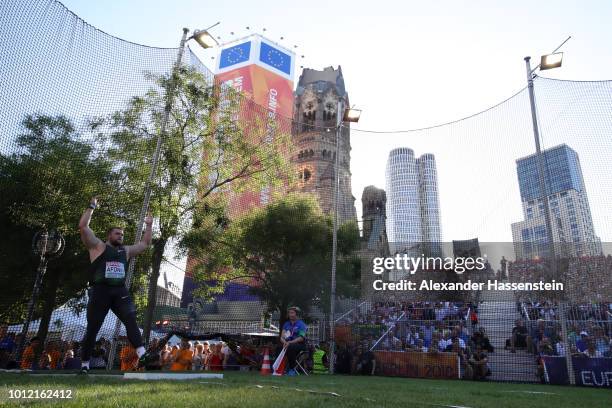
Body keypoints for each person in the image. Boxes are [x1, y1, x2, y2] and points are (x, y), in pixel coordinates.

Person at [78, 196, 153, 374]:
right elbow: (83, 227)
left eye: (122, 234)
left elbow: (144, 244)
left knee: (131, 318)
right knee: (93, 328)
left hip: (119, 291)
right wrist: (91, 207)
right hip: (100, 291)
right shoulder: (98, 247)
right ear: (109, 235)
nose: (121, 236)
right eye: (117, 234)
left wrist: (149, 226)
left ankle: (142, 353)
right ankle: (85, 365)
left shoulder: (125, 251)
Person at [280, 306, 308, 376]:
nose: (290, 315)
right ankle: (278, 369)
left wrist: (290, 342)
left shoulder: (301, 324)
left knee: (290, 347)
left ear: (296, 314)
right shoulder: (286, 324)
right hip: (287, 343)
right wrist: (284, 342)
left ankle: (292, 369)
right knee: (278, 348)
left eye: (292, 313)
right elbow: (282, 337)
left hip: (300, 344)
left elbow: (301, 338)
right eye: (289, 313)